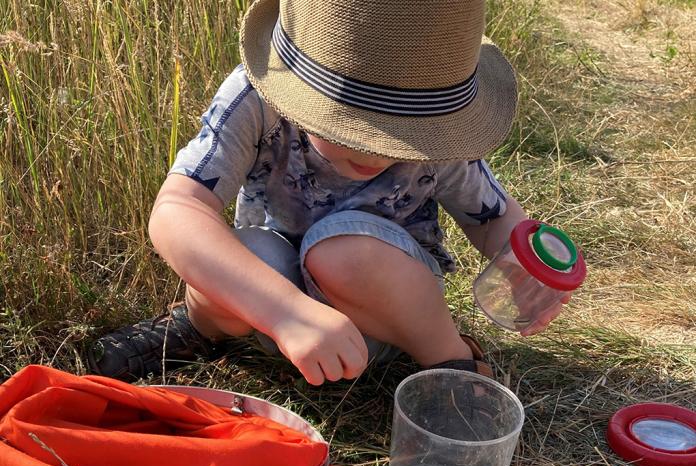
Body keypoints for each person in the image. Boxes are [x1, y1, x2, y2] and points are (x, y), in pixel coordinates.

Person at [87, 0, 571, 385]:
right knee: (242, 249)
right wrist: (287, 313)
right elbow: (178, 210)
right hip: (271, 308)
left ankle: (451, 363)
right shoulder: (256, 98)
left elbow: (489, 216)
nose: (379, 154)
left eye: (404, 136)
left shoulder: (437, 132)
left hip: (382, 317)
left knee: (342, 251)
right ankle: (199, 328)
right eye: (356, 128)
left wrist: (525, 274)